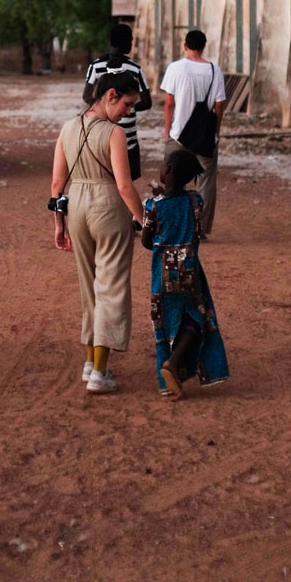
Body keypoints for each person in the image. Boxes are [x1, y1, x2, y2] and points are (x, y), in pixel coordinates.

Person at [51, 72, 144, 394]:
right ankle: (99, 373)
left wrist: (59, 223)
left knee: (89, 288)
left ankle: (90, 362)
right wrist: (143, 218)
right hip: (108, 206)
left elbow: (56, 184)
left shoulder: (68, 127)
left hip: (76, 205)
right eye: (128, 104)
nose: (129, 112)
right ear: (111, 95)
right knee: (111, 288)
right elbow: (123, 185)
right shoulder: (115, 133)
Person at [142, 150, 229, 399]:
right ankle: (178, 365)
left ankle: (167, 371)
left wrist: (157, 202)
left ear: (168, 171)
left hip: (162, 275)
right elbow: (185, 213)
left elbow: (147, 242)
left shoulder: (153, 207)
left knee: (166, 322)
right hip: (191, 272)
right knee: (195, 318)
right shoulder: (195, 200)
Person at [161, 29, 226, 237]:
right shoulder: (215, 70)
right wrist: (216, 130)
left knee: (172, 179)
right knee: (206, 181)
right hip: (205, 135)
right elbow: (218, 105)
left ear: (185, 46)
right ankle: (200, 229)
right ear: (204, 46)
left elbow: (169, 103)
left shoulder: (175, 68)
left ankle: (172, 224)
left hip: (179, 133)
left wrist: (167, 132)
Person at [83, 23, 152, 181]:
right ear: (127, 41)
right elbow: (147, 102)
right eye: (131, 40)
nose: (131, 44)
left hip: (100, 133)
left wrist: (105, 109)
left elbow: (87, 97)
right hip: (128, 138)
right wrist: (129, 107)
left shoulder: (95, 66)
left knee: (103, 180)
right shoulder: (135, 69)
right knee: (126, 182)